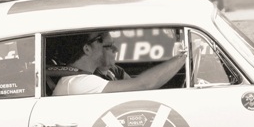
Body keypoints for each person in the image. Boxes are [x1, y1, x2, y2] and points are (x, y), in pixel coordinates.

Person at [51, 32, 187, 95]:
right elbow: (144, 84)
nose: (116, 50)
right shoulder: (77, 83)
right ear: (87, 49)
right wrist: (183, 57)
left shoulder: (96, 76)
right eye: (109, 46)